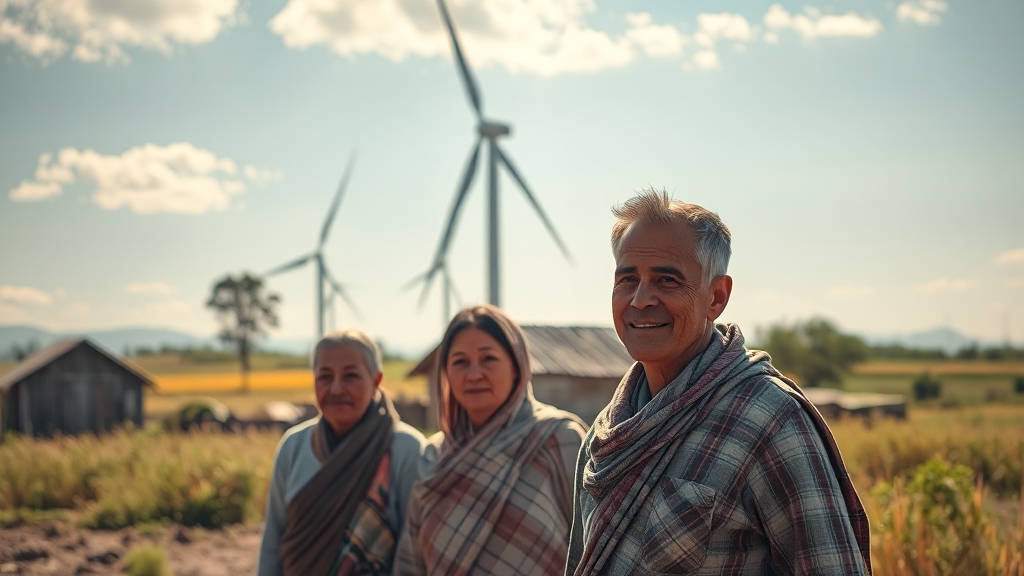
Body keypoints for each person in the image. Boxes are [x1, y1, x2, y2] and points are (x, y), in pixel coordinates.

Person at [565, 190, 871, 576]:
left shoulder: (769, 419)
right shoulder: (607, 431)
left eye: (667, 280)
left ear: (717, 297)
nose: (641, 299)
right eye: (628, 279)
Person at [393, 304, 588, 576]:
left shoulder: (560, 440)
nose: (474, 374)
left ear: (517, 367)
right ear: (446, 373)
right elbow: (411, 560)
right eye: (460, 362)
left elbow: (592, 547)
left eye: (488, 359)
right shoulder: (434, 456)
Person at [257, 329, 426, 576]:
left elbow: (412, 553)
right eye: (325, 376)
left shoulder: (406, 449)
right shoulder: (293, 446)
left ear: (376, 381)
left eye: (351, 376)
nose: (336, 389)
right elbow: (273, 541)